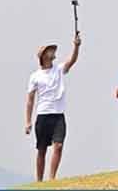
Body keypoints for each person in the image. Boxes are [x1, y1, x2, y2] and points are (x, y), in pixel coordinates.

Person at [25, 34, 81, 182]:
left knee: (59, 145)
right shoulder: (35, 76)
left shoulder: (59, 69)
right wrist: (28, 121)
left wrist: (76, 46)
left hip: (58, 115)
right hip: (43, 115)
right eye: (49, 50)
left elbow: (72, 60)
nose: (52, 52)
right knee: (42, 149)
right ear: (43, 56)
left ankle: (52, 178)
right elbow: (30, 100)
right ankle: (39, 181)